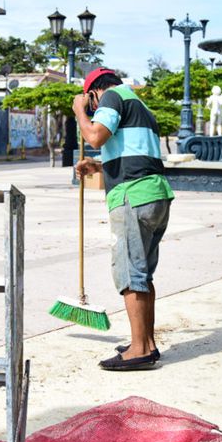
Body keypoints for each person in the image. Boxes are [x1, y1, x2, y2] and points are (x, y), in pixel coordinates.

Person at [73, 68, 174, 371]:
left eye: (90, 102)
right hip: (155, 194)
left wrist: (80, 112)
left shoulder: (112, 97)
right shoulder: (138, 104)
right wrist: (100, 165)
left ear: (94, 93)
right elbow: (135, 154)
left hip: (133, 196)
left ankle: (139, 350)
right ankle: (147, 342)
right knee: (143, 273)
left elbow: (93, 135)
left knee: (130, 273)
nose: (92, 109)